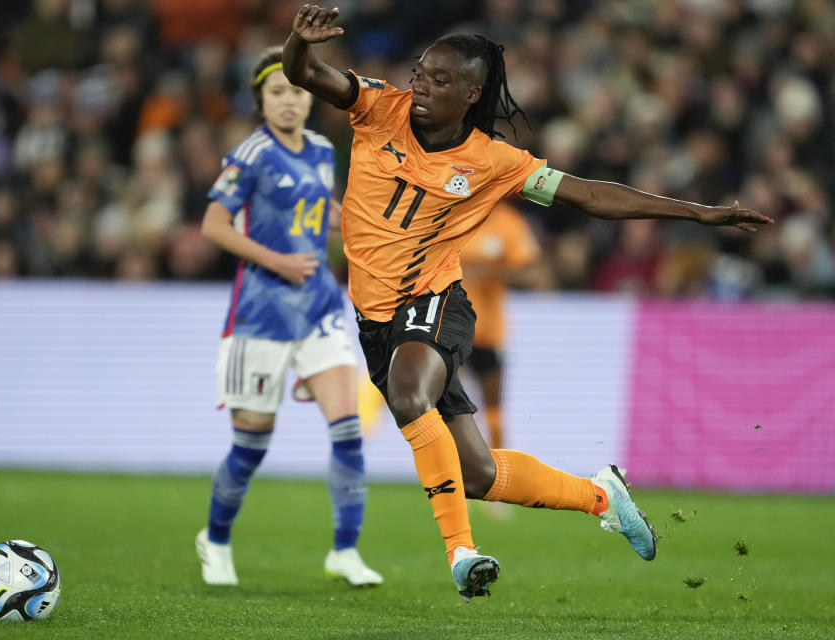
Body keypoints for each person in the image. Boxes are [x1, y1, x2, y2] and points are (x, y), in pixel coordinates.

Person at [283, 5, 774, 601]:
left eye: (440, 81)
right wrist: (298, 45)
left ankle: (461, 553)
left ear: (472, 92)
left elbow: (591, 196)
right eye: (419, 73)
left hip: (434, 299)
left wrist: (695, 212)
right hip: (373, 319)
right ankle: (602, 496)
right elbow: (308, 74)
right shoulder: (377, 105)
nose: (420, 88)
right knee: (477, 473)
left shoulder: (495, 163)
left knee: (411, 393)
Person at [197, 47, 382, 588]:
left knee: (348, 429)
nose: (289, 101)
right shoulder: (250, 155)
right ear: (261, 100)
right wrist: (277, 259)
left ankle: (345, 549)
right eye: (277, 92)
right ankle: (217, 538)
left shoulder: (322, 151)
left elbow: (317, 210)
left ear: (310, 97)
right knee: (252, 445)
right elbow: (213, 224)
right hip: (261, 314)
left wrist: (352, 225)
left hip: (319, 307)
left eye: (297, 91)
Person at [458, 200, 550, 451]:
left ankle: (499, 465)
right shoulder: (453, 211)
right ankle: (453, 464)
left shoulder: (509, 223)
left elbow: (536, 276)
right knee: (448, 400)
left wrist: (492, 271)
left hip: (487, 331)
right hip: (449, 329)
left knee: (493, 409)